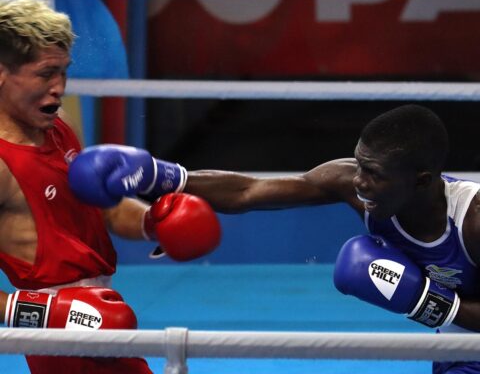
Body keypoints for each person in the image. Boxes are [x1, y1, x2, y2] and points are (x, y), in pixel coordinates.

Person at [70, 103, 480, 374]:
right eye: (359, 166)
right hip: (455, 351)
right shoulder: (352, 183)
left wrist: (426, 303)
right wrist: (165, 179)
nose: (360, 182)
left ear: (422, 180)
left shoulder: (473, 221)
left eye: (374, 174)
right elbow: (248, 192)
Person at [0, 0, 221, 374]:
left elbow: (102, 207)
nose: (59, 87)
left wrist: (153, 222)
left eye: (64, 72)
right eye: (45, 73)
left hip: (101, 308)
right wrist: (51, 313)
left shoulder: (57, 127)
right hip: (57, 333)